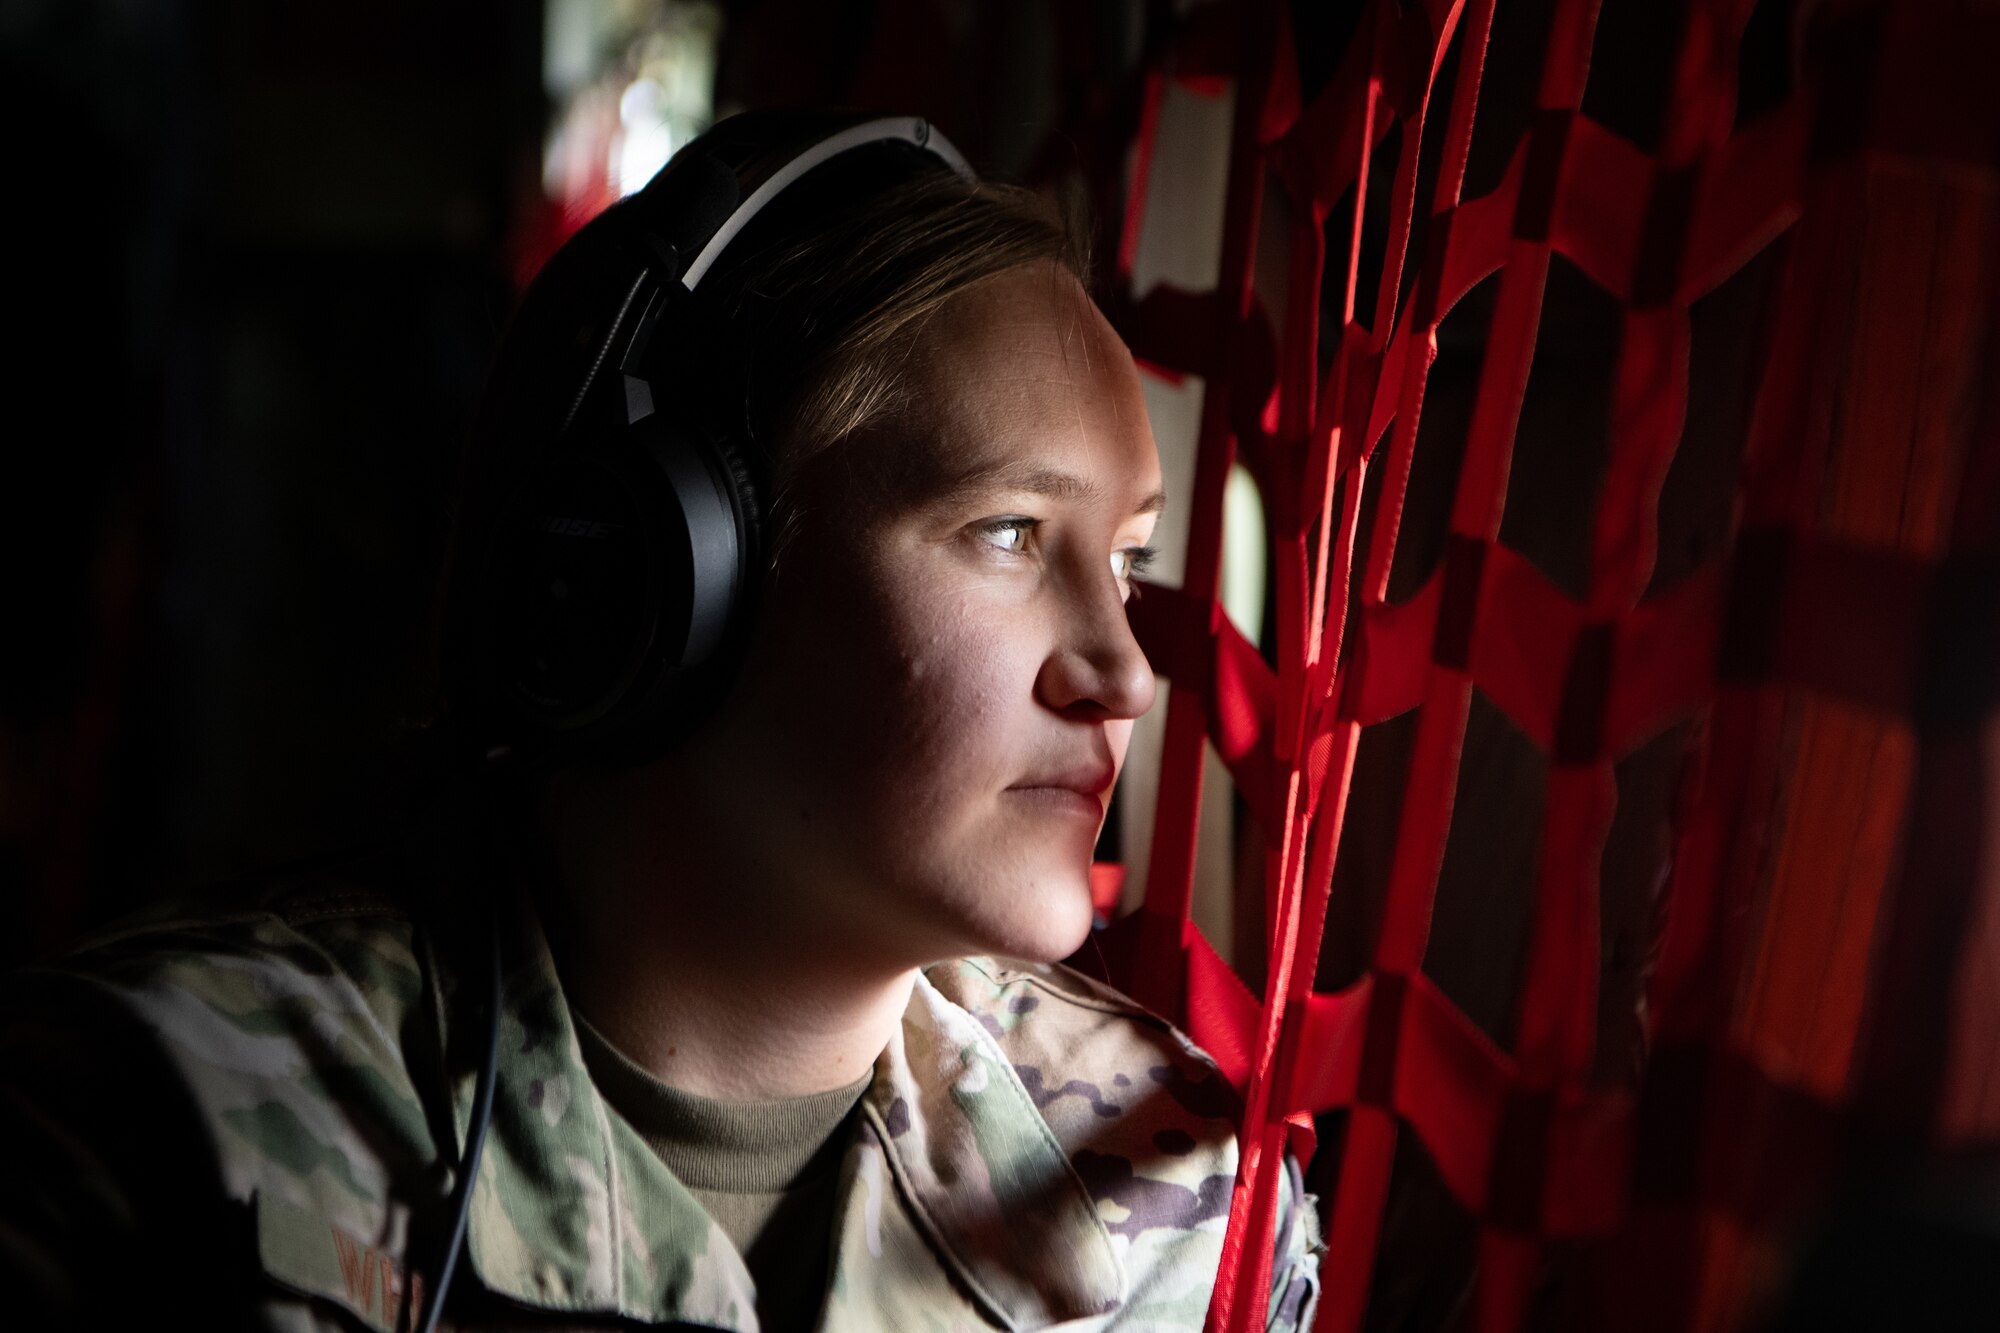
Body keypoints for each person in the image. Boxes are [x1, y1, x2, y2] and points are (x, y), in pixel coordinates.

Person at [0, 109, 1321, 1331]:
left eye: (1131, 559)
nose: (1123, 672)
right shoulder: (153, 1130)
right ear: (664, 577)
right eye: (1010, 534)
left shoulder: (1182, 1199)